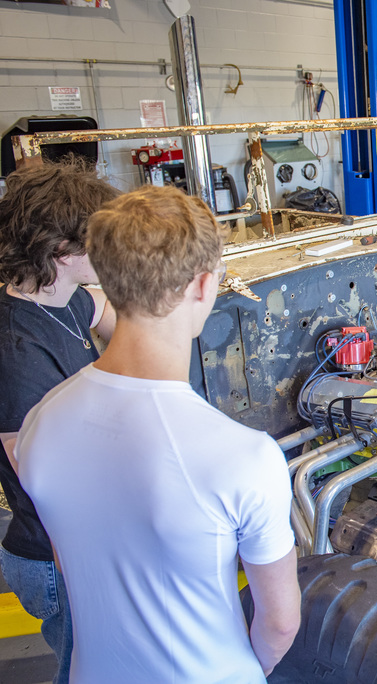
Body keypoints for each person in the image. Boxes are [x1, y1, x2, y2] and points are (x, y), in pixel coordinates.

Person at [13, 186, 301, 682]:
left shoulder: (40, 422)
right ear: (203, 286)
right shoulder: (246, 458)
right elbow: (279, 623)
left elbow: (69, 560)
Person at [0, 162, 119, 684]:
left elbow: (111, 315)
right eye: (101, 238)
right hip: (57, 558)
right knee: (86, 672)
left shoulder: (62, 298)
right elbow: (44, 483)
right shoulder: (16, 350)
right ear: (63, 251)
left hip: (83, 545)